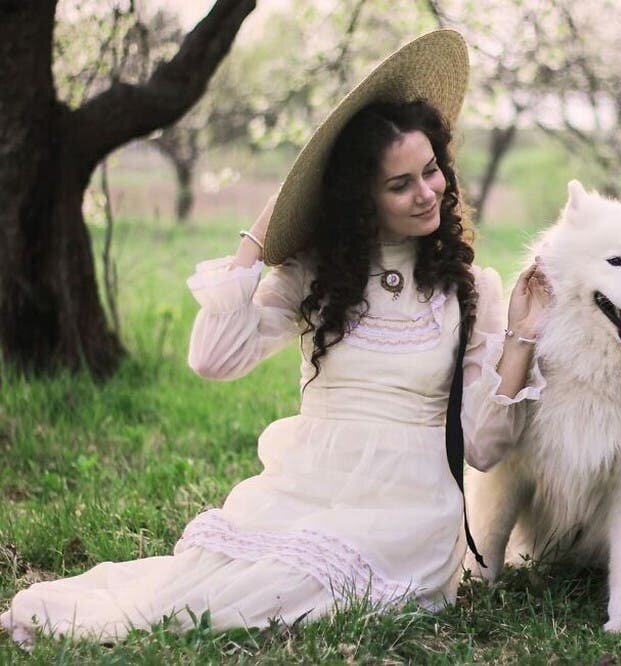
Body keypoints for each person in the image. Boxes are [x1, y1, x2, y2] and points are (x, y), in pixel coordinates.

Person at [0, 30, 549, 646]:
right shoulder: (318, 274)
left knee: (295, 590)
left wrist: (522, 336)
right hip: (309, 487)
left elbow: (481, 446)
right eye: (400, 185)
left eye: (432, 171)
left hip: (407, 512)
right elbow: (213, 359)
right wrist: (263, 233)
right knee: (226, 580)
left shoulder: (468, 287)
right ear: (361, 199)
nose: (427, 193)